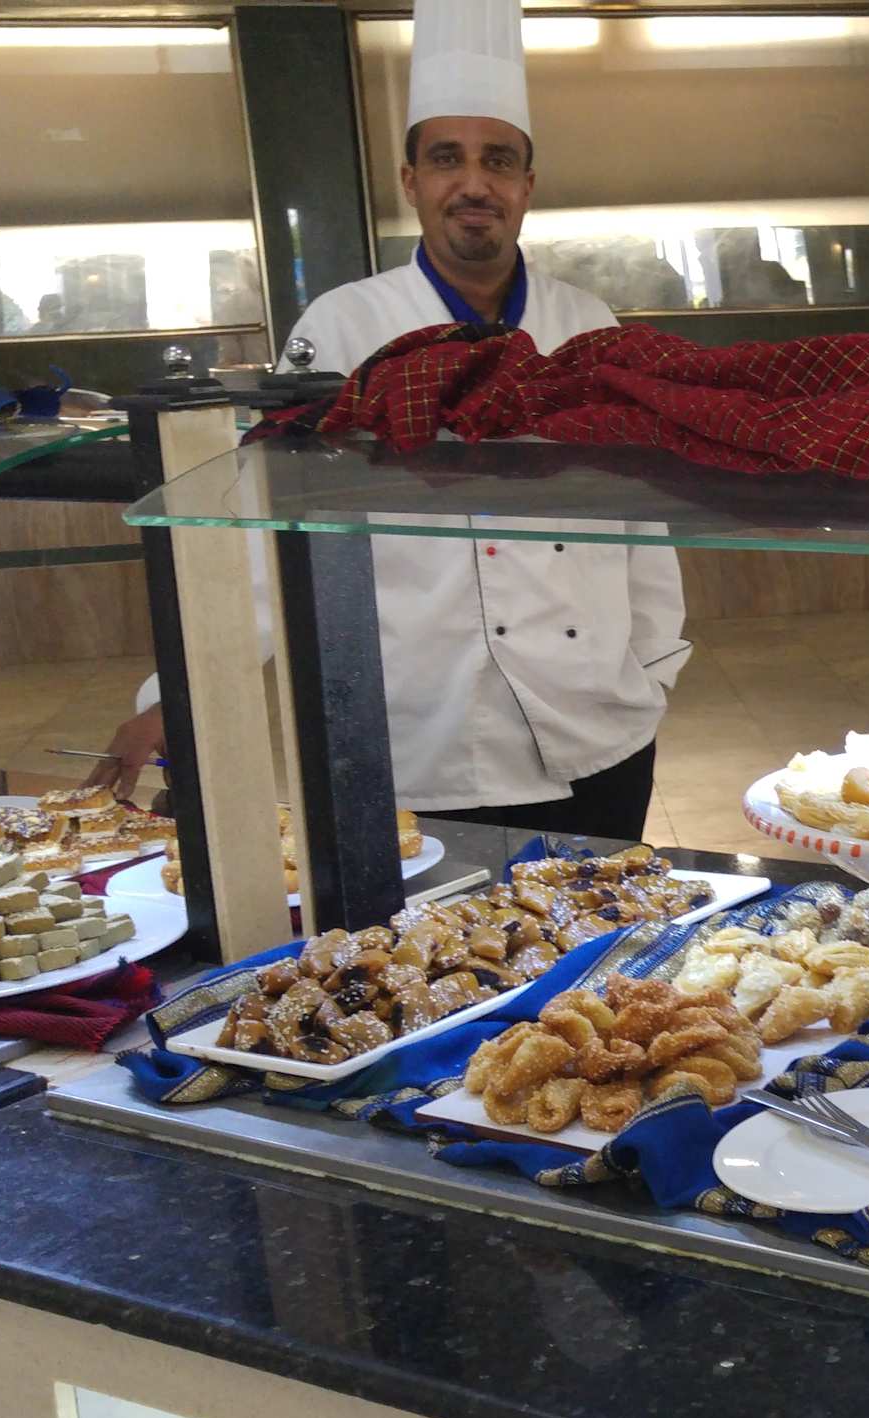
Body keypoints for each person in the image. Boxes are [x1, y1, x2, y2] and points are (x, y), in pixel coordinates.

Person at [94, 0, 689, 840]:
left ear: (526, 185)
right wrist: (179, 697)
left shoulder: (587, 323)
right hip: (425, 733)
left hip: (598, 721)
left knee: (598, 914)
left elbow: (641, 514)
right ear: (411, 182)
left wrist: (655, 664)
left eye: (498, 160)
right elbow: (267, 535)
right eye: (447, 158)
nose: (474, 184)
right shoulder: (342, 329)